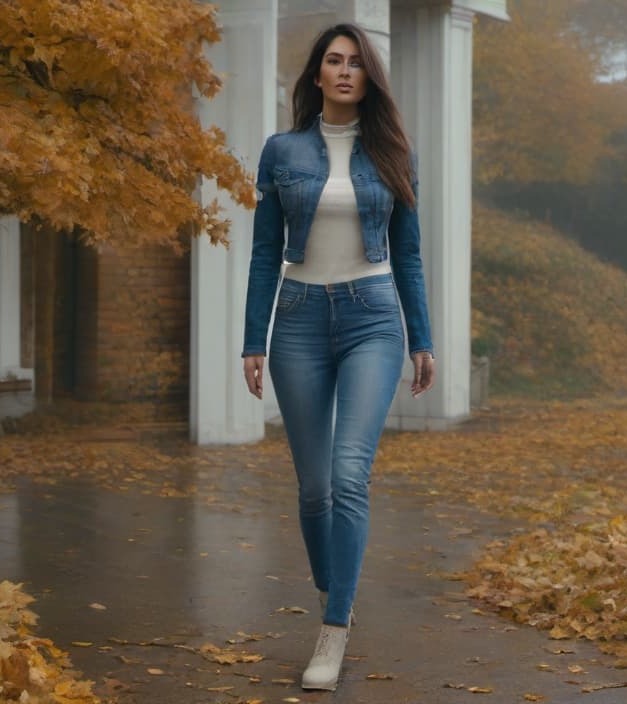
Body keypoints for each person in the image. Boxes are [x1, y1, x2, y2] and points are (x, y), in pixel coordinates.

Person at [239, 23, 435, 691]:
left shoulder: (394, 154)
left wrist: (421, 337)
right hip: (296, 323)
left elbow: (407, 253)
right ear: (317, 75)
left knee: (351, 474)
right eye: (334, 61)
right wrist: (253, 339)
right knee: (315, 487)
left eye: (356, 63)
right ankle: (338, 588)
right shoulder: (282, 150)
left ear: (367, 76)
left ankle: (334, 626)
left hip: (372, 321)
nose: (345, 71)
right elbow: (266, 251)